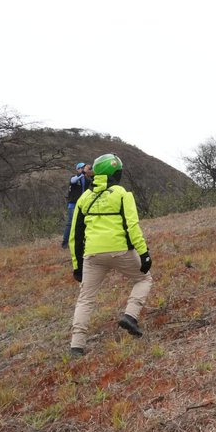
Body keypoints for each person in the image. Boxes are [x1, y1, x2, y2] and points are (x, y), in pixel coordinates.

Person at [68, 153, 153, 357]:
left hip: (92, 255)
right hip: (120, 250)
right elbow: (132, 226)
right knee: (144, 280)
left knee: (85, 299)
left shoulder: (84, 198)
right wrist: (144, 253)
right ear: (116, 172)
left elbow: (75, 236)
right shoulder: (122, 193)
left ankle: (76, 345)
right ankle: (130, 316)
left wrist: (77, 265)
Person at [61, 162, 93, 249]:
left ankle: (80, 242)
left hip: (83, 204)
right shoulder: (74, 177)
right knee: (70, 223)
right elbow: (73, 181)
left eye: (85, 168)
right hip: (73, 204)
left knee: (83, 223)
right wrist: (83, 173)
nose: (84, 169)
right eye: (82, 168)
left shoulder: (87, 180)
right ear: (78, 169)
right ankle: (65, 243)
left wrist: (92, 172)